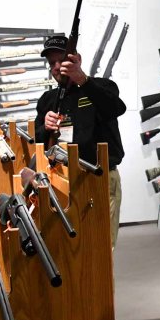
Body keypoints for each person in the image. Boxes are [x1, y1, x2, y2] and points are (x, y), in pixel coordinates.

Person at [35, 35, 126, 249]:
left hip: (100, 178)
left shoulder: (102, 87)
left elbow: (115, 108)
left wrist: (81, 79)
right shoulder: (48, 100)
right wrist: (44, 127)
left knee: (102, 249)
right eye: (52, 63)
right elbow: (36, 140)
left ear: (76, 60)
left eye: (62, 61)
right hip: (61, 180)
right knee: (69, 249)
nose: (57, 67)